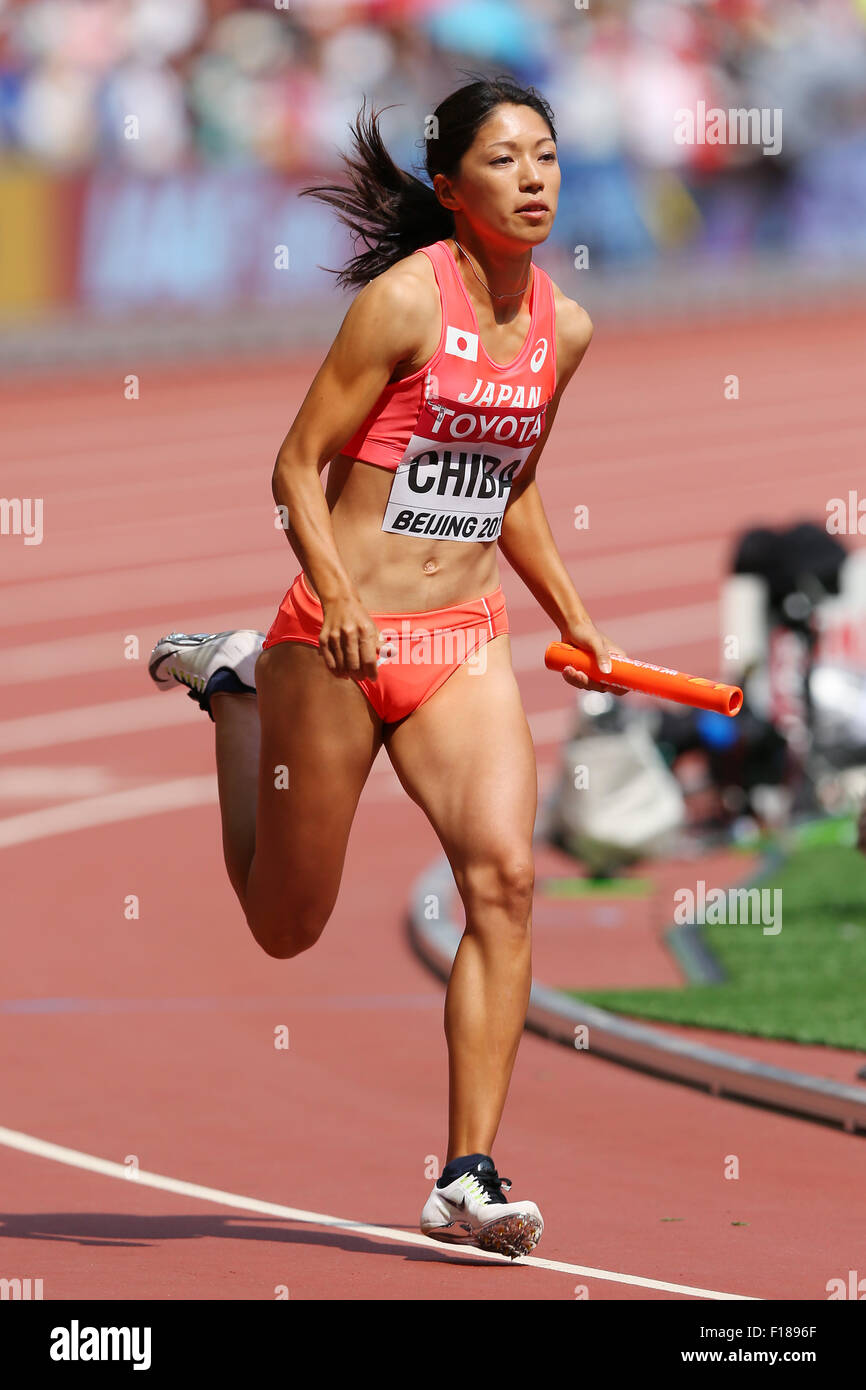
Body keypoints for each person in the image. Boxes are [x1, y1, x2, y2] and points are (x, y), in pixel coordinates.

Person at [149, 76, 627, 1260]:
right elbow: (295, 465)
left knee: (506, 882)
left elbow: (507, 485)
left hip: (461, 643)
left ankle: (465, 1173)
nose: (532, 179)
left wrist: (576, 618)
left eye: (546, 157)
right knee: (285, 926)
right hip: (337, 637)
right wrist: (346, 599)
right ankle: (234, 691)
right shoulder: (401, 306)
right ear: (448, 187)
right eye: (505, 161)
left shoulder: (562, 329)